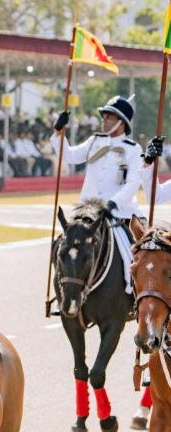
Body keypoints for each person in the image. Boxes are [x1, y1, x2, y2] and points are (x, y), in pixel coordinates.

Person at [50, 96, 141, 293]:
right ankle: (64, 294)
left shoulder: (133, 150)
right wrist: (59, 132)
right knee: (61, 245)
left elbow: (133, 183)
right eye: (104, 116)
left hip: (116, 213)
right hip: (88, 212)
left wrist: (113, 204)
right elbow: (69, 156)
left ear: (121, 122)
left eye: (109, 117)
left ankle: (132, 289)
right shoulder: (95, 142)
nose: (104, 120)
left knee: (131, 251)